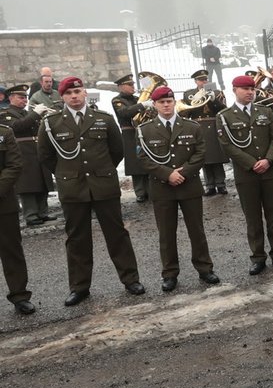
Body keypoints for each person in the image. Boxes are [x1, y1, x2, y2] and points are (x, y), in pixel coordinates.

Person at [38, 77, 144, 305]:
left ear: (85, 92)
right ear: (62, 97)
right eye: (68, 93)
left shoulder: (103, 119)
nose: (74, 96)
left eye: (77, 91)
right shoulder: (51, 123)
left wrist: (102, 170)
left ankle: (130, 279)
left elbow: (117, 151)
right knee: (77, 239)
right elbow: (46, 156)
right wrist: (66, 173)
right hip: (73, 189)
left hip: (103, 185)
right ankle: (79, 287)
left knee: (117, 234)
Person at [137, 85, 220, 292]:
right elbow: (143, 158)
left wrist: (183, 173)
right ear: (155, 105)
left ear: (174, 103)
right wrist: (168, 174)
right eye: (162, 102)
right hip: (162, 188)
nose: (166, 105)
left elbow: (200, 153)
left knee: (197, 230)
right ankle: (170, 273)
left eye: (169, 101)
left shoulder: (192, 126)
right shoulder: (144, 130)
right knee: (166, 234)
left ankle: (204, 268)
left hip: (189, 185)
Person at [217, 74, 273, 274]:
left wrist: (268, 160)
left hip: (270, 172)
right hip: (247, 175)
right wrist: (251, 163)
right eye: (245, 89)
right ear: (235, 90)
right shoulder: (224, 117)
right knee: (253, 218)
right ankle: (258, 257)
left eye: (252, 89)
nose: (250, 93)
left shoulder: (265, 111)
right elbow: (227, 146)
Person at [0, 84, 57, 226]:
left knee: (42, 181)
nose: (24, 100)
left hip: (36, 149)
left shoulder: (27, 113)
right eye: (21, 97)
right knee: (27, 184)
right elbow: (17, 127)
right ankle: (31, 215)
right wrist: (35, 114)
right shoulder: (5, 113)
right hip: (22, 151)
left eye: (25, 97)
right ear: (11, 98)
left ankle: (43, 212)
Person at [0, 122, 35, 314]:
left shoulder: (4, 132)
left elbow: (14, 165)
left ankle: (19, 295)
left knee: (11, 251)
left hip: (3, 203)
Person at [180, 70, 229, 196]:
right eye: (201, 80)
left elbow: (224, 109)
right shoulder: (189, 94)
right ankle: (209, 185)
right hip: (198, 127)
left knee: (217, 157)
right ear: (196, 81)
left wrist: (213, 99)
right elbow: (185, 114)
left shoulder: (217, 92)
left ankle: (221, 184)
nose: (204, 82)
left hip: (213, 125)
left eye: (205, 79)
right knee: (204, 157)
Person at [109, 74, 151, 202]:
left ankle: (150, 190)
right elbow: (124, 112)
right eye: (130, 85)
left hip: (142, 131)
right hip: (129, 133)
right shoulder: (117, 100)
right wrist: (142, 106)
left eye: (133, 84)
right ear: (121, 87)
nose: (133, 87)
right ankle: (140, 192)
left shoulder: (137, 99)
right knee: (134, 162)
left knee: (146, 159)